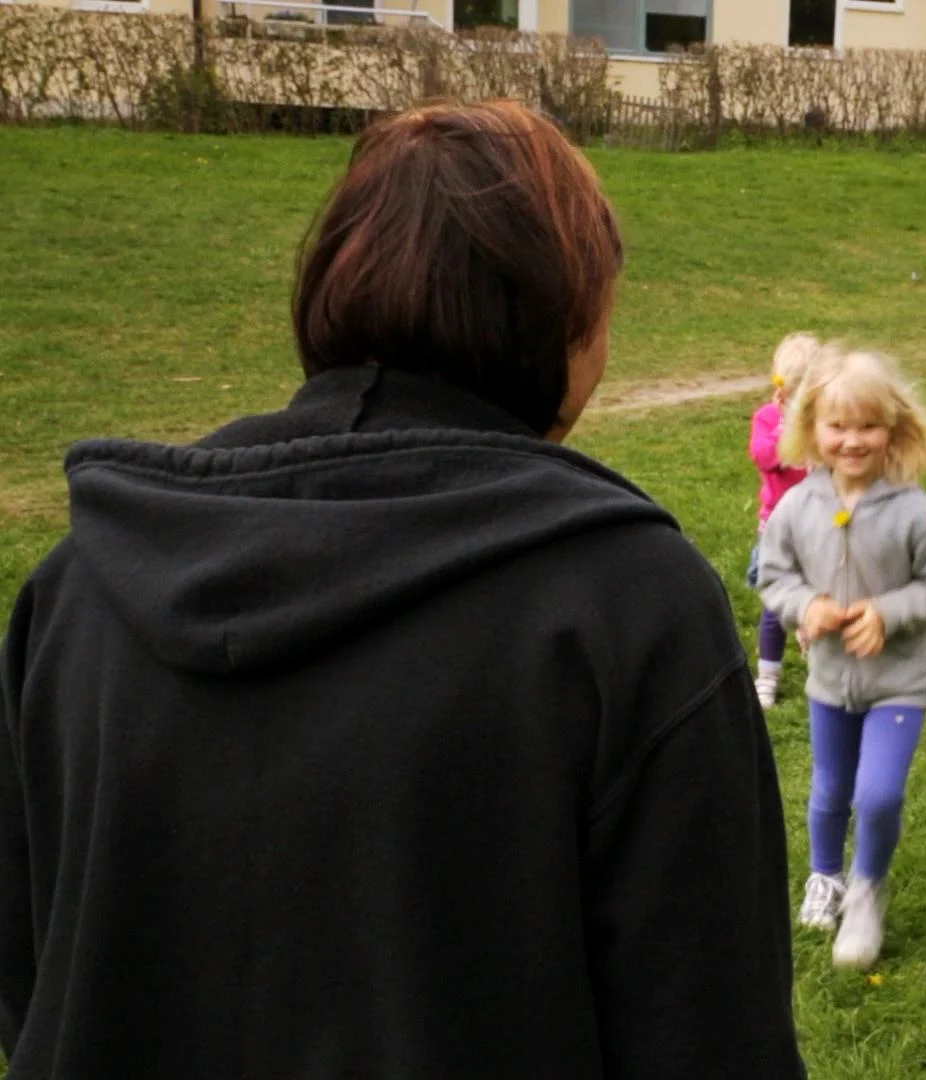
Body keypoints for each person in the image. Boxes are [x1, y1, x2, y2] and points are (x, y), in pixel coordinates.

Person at [0, 101, 803, 1077]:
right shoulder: (630, 609)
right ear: (568, 316)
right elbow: (713, 1031)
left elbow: (31, 979)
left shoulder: (77, 588)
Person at [757, 349, 926, 971]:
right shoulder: (796, 508)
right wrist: (806, 606)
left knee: (876, 795)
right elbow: (771, 576)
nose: (853, 441)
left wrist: (887, 613)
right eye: (838, 426)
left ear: (893, 429)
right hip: (829, 679)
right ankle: (825, 876)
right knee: (829, 789)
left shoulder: (919, 513)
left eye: (869, 426)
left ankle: (867, 888)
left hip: (898, 681)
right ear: (811, 428)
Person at [750, 331, 823, 708]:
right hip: (778, 528)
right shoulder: (767, 418)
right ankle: (768, 675)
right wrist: (787, 430)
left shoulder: (824, 419)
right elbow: (764, 456)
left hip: (819, 526)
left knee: (819, 595)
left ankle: (820, 659)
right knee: (776, 604)